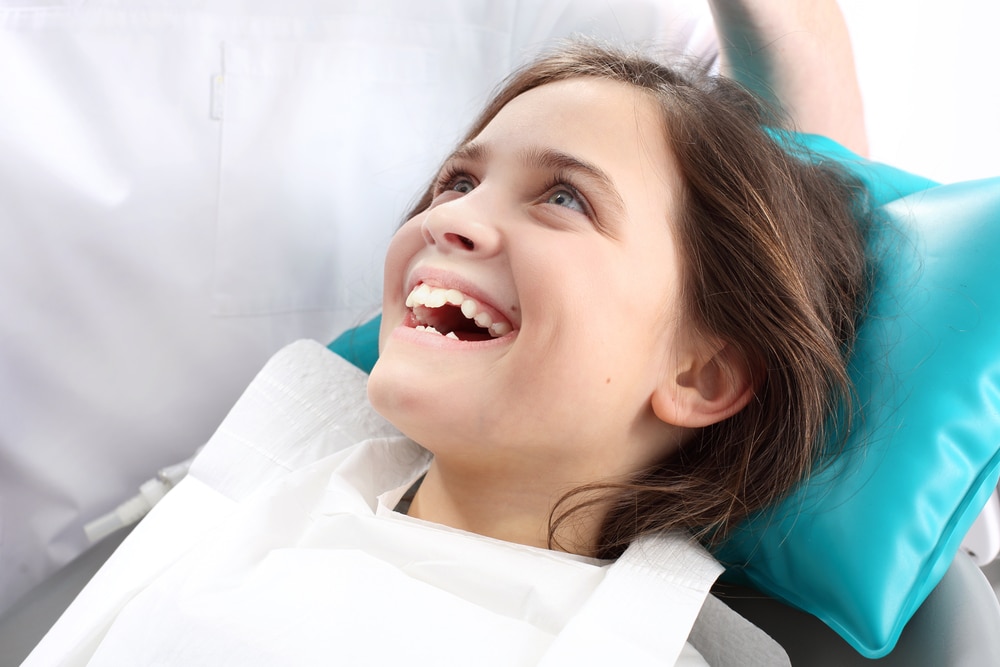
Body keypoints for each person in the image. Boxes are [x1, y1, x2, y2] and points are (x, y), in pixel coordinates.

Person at [24, 9, 873, 664]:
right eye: (457, 180)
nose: (454, 218)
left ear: (703, 373)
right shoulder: (238, 512)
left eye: (564, 198)